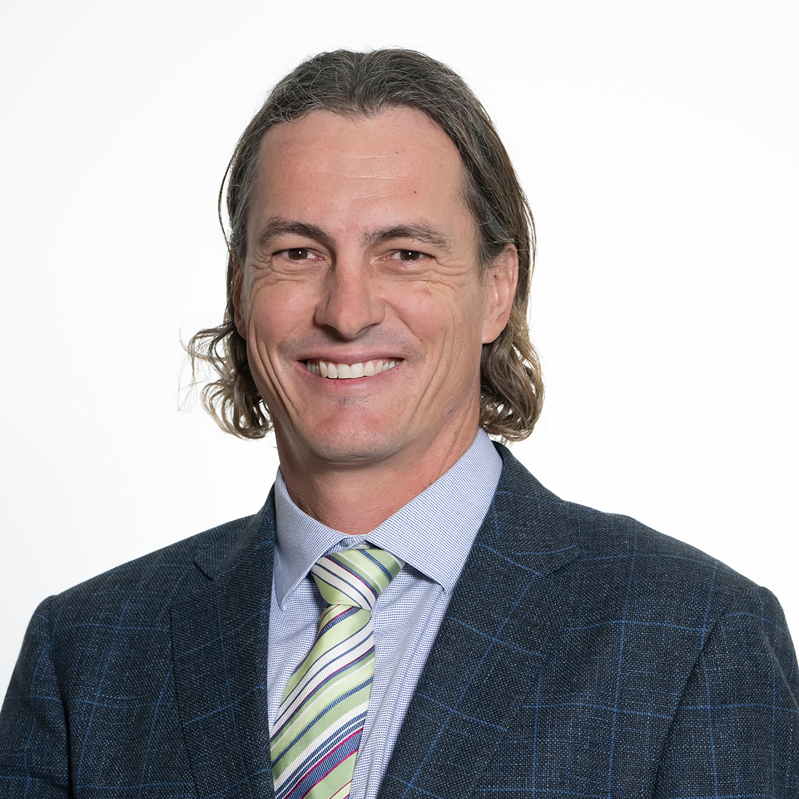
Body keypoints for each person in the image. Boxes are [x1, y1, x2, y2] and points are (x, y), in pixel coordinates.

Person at [1, 48, 797, 799]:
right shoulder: (87, 653)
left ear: (495, 288)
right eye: (296, 252)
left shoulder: (695, 637)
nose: (347, 312)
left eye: (405, 253)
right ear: (241, 291)